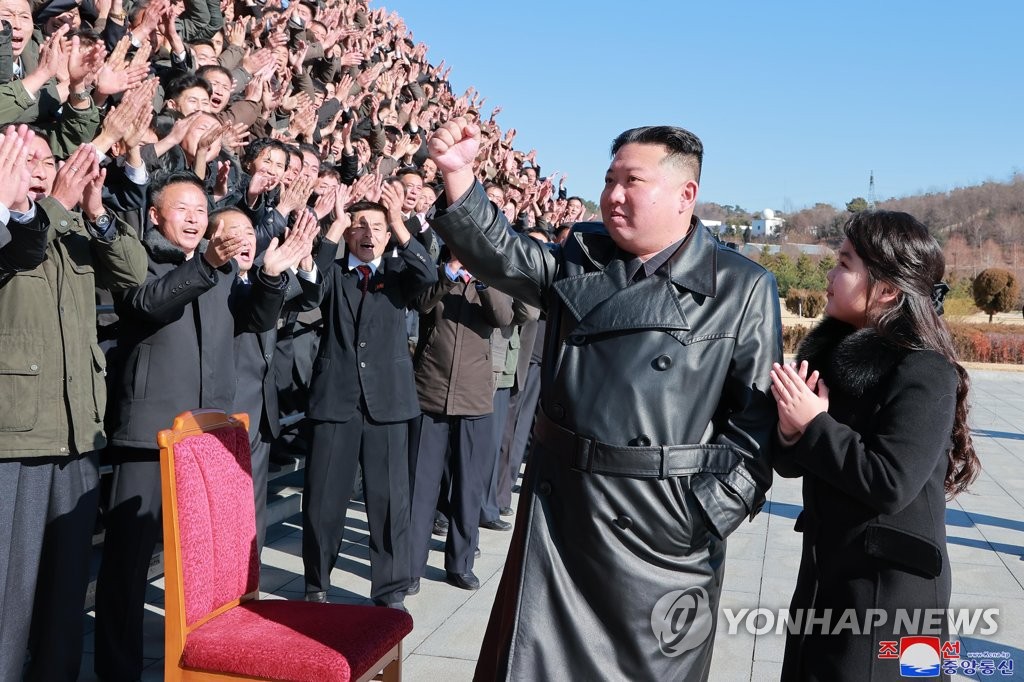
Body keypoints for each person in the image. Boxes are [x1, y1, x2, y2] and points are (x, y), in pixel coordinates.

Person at [427, 121, 782, 680]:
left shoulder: (741, 286)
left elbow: (754, 428)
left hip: (661, 532)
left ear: (685, 194)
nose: (613, 194)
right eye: (609, 179)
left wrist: (702, 516)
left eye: (631, 181)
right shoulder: (582, 256)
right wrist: (459, 175)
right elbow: (504, 256)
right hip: (564, 513)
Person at [769, 210, 980, 681]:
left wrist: (814, 424)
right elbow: (797, 459)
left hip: (894, 594)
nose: (829, 273)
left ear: (886, 289)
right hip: (829, 577)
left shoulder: (923, 370)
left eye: (844, 263)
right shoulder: (838, 358)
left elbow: (891, 482)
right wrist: (790, 430)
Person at [0, 130, 147, 682]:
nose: (40, 169)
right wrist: (56, 206)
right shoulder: (11, 225)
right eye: (25, 158)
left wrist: (97, 213)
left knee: (65, 596)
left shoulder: (73, 228)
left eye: (47, 159)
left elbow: (135, 280)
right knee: (8, 599)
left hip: (78, 430)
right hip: (16, 432)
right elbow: (20, 249)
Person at [298, 194, 436, 611]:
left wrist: (398, 222)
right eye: (360, 225)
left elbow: (428, 275)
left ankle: (390, 590)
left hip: (389, 404)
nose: (368, 233)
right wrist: (333, 230)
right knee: (323, 500)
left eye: (376, 227)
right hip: (335, 400)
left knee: (391, 501)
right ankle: (316, 583)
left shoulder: (398, 272)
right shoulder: (334, 272)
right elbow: (308, 294)